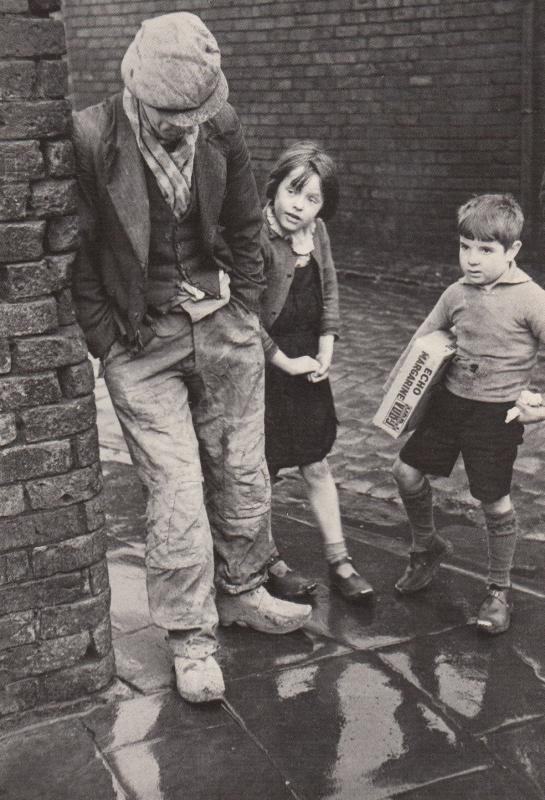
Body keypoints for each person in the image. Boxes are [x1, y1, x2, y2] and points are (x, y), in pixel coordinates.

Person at [71, 12, 311, 705]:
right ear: (135, 92)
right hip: (139, 341)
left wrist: (243, 312)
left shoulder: (223, 124)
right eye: (170, 114)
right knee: (177, 492)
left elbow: (241, 225)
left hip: (220, 323)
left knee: (242, 470)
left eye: (195, 112)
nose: (185, 125)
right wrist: (106, 338)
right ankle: (190, 638)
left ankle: (239, 591)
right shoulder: (91, 137)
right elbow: (80, 252)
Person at [389, 193, 545, 634]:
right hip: (449, 404)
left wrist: (539, 406)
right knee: (405, 472)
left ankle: (499, 590)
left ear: (512, 251)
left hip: (496, 415)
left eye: (486, 250)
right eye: (465, 247)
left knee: (493, 502)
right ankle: (426, 546)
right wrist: (406, 386)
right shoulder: (456, 292)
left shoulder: (532, 299)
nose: (472, 260)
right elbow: (424, 339)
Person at [259, 141, 374, 602]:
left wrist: (326, 347)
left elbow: (329, 291)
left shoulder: (317, 232)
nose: (299, 206)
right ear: (276, 187)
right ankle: (266, 563)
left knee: (316, 462)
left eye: (313, 199)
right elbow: (242, 313)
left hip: (306, 362)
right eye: (293, 192)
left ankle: (340, 560)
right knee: (259, 470)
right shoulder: (253, 233)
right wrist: (282, 361)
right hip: (264, 365)